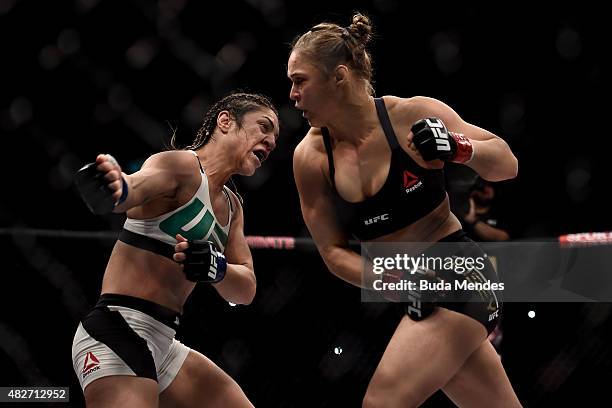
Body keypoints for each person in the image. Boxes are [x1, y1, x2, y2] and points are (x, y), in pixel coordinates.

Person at [289, 13, 522, 407]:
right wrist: (391, 280)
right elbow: (332, 253)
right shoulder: (311, 158)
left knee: (382, 403)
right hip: (414, 290)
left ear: (339, 77)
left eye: (300, 80)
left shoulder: (409, 116)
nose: (292, 94)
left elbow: (506, 163)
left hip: (458, 273)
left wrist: (459, 147)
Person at [71, 92, 279, 407]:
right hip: (117, 329)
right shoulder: (182, 165)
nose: (270, 141)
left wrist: (217, 267)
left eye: (275, 137)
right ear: (225, 121)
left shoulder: (233, 208)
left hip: (164, 344)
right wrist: (116, 186)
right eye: (263, 127)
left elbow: (246, 289)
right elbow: (135, 187)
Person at [462, 178, 511, 242]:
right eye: (482, 186)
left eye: (490, 186)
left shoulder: (498, 213)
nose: (487, 189)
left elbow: (504, 237)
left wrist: (473, 221)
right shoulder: (462, 214)